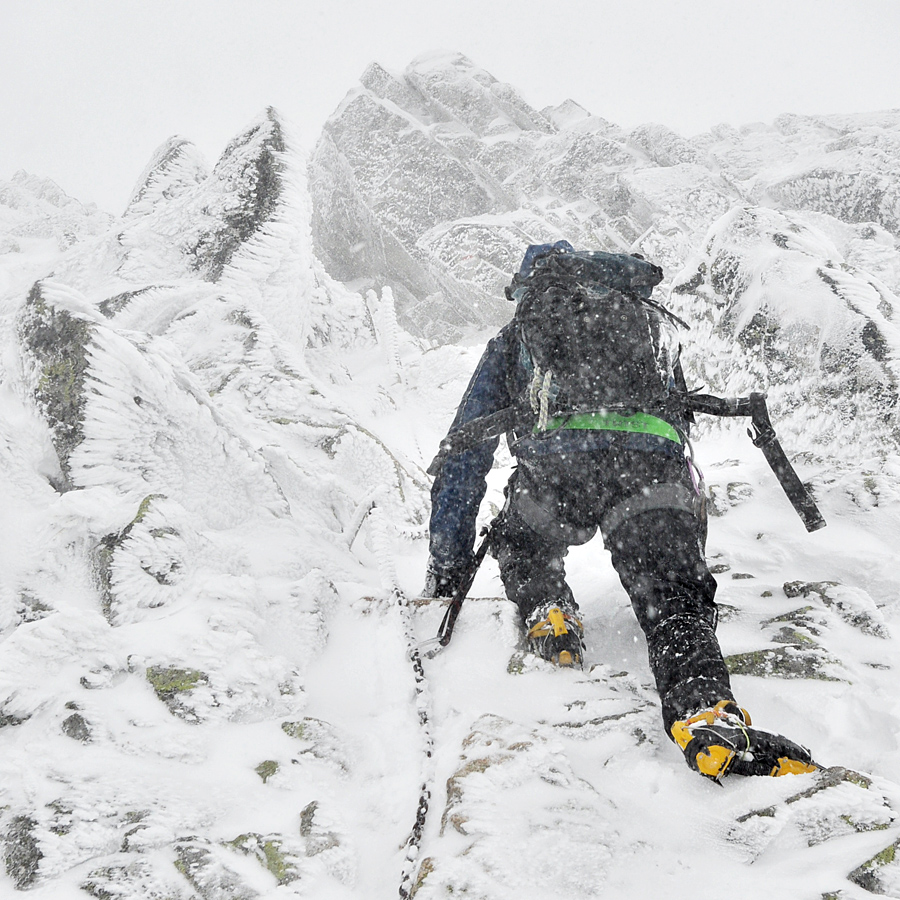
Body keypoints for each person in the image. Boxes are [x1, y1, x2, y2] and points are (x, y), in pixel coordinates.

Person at [423, 241, 818, 781]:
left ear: (528, 289)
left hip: (557, 478)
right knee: (673, 596)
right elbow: (673, 417)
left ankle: (548, 609)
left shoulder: (517, 337)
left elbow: (464, 453)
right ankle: (704, 711)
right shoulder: (643, 323)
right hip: (651, 477)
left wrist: (447, 565)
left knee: (525, 541)